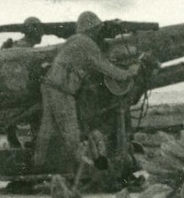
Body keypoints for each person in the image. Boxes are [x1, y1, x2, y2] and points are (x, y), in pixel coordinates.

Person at [34, 11, 138, 173]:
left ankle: (37, 163)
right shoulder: (86, 43)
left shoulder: (74, 40)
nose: (98, 31)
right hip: (62, 90)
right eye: (97, 28)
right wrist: (129, 72)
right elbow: (105, 67)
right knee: (71, 130)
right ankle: (84, 167)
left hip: (49, 85)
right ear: (92, 28)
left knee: (47, 127)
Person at [0, 17, 45, 150]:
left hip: (11, 94)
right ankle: (28, 145)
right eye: (39, 29)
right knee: (27, 121)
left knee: (17, 125)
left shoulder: (14, 45)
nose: (42, 33)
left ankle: (20, 145)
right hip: (21, 95)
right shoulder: (26, 50)